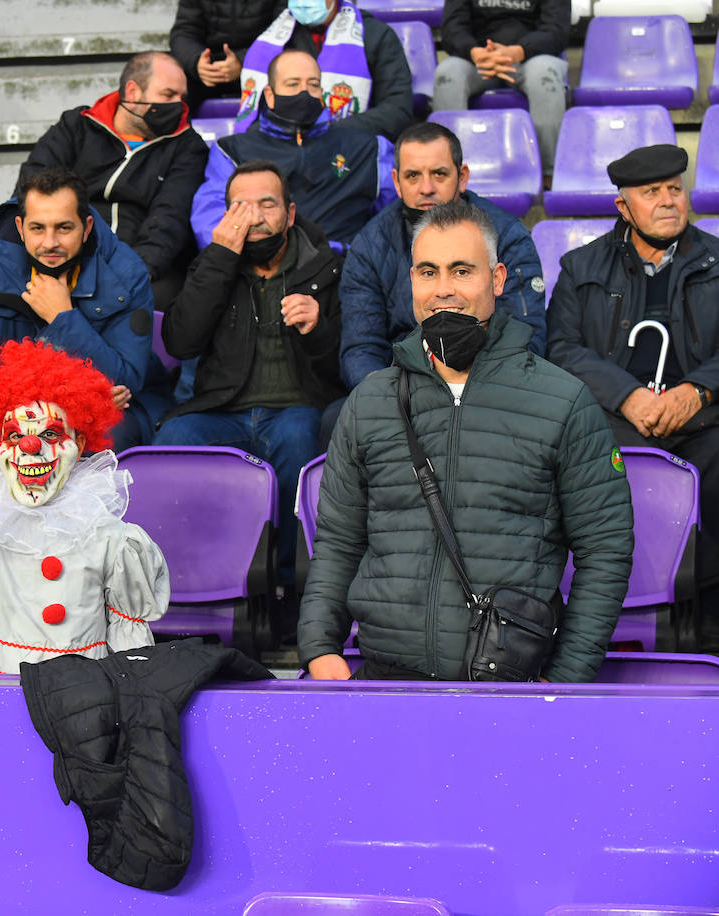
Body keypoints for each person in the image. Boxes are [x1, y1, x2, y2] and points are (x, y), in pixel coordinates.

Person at [298, 200, 633, 682]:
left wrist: (566, 677)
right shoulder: (370, 400)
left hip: (509, 689)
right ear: (410, 281)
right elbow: (337, 543)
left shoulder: (563, 400)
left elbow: (606, 549)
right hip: (387, 683)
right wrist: (318, 648)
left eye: (461, 271)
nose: (443, 290)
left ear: (497, 280)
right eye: (428, 272)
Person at [547, 144, 719, 641]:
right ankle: (608, 619)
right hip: (616, 422)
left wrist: (698, 390)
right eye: (651, 192)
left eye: (674, 189)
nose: (668, 200)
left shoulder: (716, 261)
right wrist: (628, 395)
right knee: (594, 466)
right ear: (624, 207)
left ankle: (705, 621)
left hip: (702, 422)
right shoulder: (582, 267)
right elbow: (562, 349)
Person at [158, 160, 343, 620]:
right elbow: (180, 341)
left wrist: (319, 325)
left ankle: (284, 590)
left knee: (301, 437)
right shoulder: (211, 265)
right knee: (173, 443)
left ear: (291, 213)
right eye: (241, 206)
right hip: (221, 410)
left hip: (295, 409)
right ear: (224, 216)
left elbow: (346, 362)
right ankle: (186, 589)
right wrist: (220, 258)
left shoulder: (325, 269)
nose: (255, 216)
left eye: (267, 204)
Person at [0, 339, 169, 675]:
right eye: (14, 437)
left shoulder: (108, 534)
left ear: (79, 443)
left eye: (51, 434)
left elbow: (130, 641)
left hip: (82, 695)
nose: (30, 445)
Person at [0, 167, 156, 451]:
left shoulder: (125, 272)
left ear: (87, 226)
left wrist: (62, 317)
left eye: (64, 228)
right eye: (37, 228)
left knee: (111, 435)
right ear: (20, 227)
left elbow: (125, 380)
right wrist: (53, 400)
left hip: (97, 418)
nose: (50, 243)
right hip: (13, 413)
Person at [339, 121, 545, 394]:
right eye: (413, 176)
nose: (426, 188)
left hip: (487, 387)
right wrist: (388, 398)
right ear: (397, 183)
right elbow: (361, 347)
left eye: (439, 174)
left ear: (462, 177)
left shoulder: (506, 235)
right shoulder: (369, 244)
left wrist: (459, 394)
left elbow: (525, 337)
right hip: (402, 389)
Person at [20, 51, 208, 313]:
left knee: (155, 299)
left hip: (137, 263)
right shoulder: (77, 126)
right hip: (64, 250)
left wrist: (130, 273)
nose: (179, 106)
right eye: (168, 95)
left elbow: (169, 218)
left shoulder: (188, 147)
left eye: (182, 97)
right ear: (132, 91)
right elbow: (33, 186)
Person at [191, 50, 396, 253]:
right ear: (270, 95)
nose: (304, 93)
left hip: (345, 268)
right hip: (262, 270)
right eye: (293, 84)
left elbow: (394, 219)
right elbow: (211, 224)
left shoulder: (369, 149)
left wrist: (362, 255)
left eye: (313, 85)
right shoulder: (232, 152)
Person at [237, 0, 414, 141]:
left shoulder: (375, 35)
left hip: (352, 147)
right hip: (282, 148)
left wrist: (330, 130)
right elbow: (257, 116)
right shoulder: (272, 39)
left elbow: (397, 109)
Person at [433, 0, 568, 173]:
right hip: (478, 58)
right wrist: (474, 52)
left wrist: (519, 51)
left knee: (543, 76)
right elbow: (452, 28)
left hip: (532, 56)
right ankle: (449, 171)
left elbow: (556, 30)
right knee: (448, 74)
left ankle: (549, 173)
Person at [168, 0, 283, 113]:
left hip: (261, 68)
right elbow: (184, 33)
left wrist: (243, 62)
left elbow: (285, 34)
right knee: (168, 81)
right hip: (208, 70)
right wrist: (197, 62)